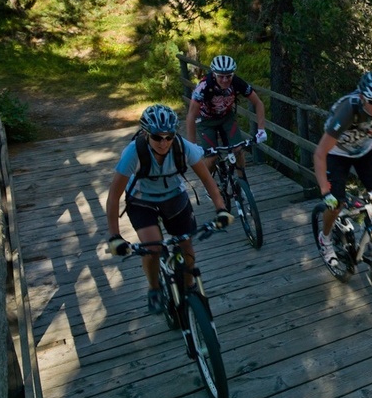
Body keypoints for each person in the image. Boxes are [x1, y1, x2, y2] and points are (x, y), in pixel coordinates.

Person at [106, 104, 235, 313]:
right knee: (152, 248)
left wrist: (221, 209)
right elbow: (113, 197)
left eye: (169, 136)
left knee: (187, 246)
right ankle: (154, 288)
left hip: (174, 197)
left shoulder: (184, 147)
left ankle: (190, 287)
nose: (164, 143)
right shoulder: (134, 152)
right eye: (157, 137)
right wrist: (114, 236)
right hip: (142, 201)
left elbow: (208, 182)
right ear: (147, 134)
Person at [314, 71, 372, 276]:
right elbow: (320, 153)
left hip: (364, 150)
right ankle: (326, 237)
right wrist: (325, 191)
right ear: (362, 97)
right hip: (336, 152)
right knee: (336, 202)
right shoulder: (348, 111)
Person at [186, 54, 268, 177]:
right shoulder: (203, 87)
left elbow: (258, 103)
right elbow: (191, 116)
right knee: (211, 158)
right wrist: (192, 145)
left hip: (226, 118)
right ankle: (209, 185)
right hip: (206, 122)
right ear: (214, 74)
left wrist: (261, 129)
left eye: (228, 76)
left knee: (238, 150)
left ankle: (242, 183)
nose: (225, 80)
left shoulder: (237, 83)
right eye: (221, 77)